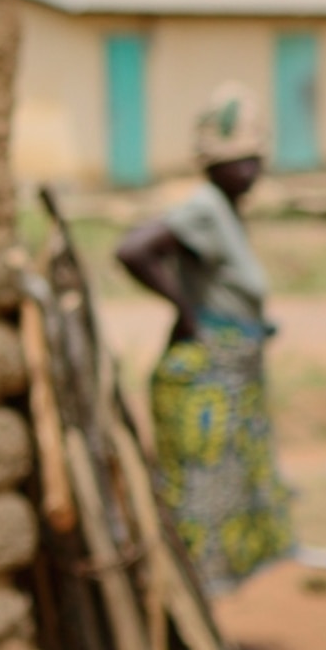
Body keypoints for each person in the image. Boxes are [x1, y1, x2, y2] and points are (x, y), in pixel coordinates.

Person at [117, 82, 294, 595]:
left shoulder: (226, 213)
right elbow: (134, 250)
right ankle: (190, 620)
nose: (249, 172)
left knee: (224, 500)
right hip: (205, 384)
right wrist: (186, 310)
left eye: (254, 160)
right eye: (237, 161)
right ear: (212, 166)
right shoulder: (205, 208)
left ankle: (205, 621)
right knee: (199, 502)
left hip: (232, 381)